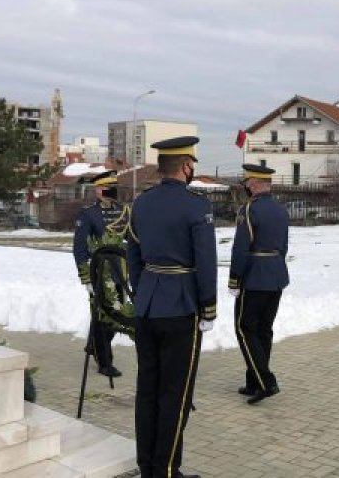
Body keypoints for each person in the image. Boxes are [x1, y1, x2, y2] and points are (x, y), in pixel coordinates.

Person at [127, 136, 216, 478]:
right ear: (186, 166)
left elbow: (133, 254)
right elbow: (205, 262)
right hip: (181, 308)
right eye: (192, 164)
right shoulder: (197, 207)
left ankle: (147, 465)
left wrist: (143, 290)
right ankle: (164, 470)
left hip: (147, 306)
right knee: (175, 394)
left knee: (147, 390)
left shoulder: (142, 203)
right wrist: (208, 307)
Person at [229, 164, 290, 404]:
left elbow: (241, 247)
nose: (245, 186)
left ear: (254, 184)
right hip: (276, 274)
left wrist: (235, 278)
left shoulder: (249, 209)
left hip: (254, 276)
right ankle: (254, 381)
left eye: (247, 183)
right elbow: (284, 246)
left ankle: (265, 381)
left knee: (245, 328)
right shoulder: (280, 209)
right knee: (264, 330)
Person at [73, 170, 130, 378]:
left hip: (122, 272)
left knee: (117, 315)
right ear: (97, 190)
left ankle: (93, 344)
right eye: (103, 188)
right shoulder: (88, 214)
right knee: (103, 317)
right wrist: (85, 276)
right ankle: (105, 362)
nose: (107, 192)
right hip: (100, 273)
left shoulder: (125, 211)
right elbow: (79, 248)